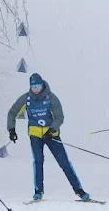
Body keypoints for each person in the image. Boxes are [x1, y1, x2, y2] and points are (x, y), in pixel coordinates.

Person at [6, 72, 91, 202]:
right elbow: (12, 113)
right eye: (33, 87)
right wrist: (11, 129)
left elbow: (59, 117)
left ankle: (79, 190)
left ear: (42, 85)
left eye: (38, 86)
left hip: (51, 135)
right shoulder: (26, 99)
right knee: (38, 161)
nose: (36, 89)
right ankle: (38, 191)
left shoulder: (51, 98)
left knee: (64, 162)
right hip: (35, 135)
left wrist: (51, 130)